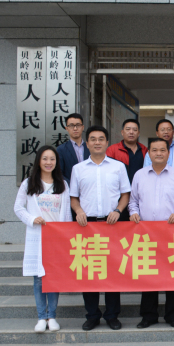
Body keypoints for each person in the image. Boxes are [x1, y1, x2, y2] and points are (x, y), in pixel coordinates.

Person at [70, 126, 131, 331]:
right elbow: (73, 198)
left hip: (112, 225)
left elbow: (125, 194)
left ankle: (112, 315)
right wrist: (78, 211)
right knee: (90, 272)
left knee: (112, 272)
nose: (97, 142)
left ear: (107, 143)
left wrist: (118, 210)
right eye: (93, 139)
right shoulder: (78, 169)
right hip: (87, 227)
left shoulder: (118, 167)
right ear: (87, 143)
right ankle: (92, 315)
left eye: (101, 139)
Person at [129, 137, 174, 329]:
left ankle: (173, 315)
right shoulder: (139, 175)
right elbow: (133, 201)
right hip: (146, 234)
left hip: (171, 234)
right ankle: (149, 316)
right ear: (148, 153)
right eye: (154, 150)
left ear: (168, 153)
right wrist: (134, 213)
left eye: (162, 150)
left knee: (173, 274)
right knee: (149, 275)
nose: (158, 153)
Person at [14, 145, 71, 333]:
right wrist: (32, 219)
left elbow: (67, 213)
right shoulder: (29, 183)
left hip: (56, 238)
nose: (48, 162)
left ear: (57, 162)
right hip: (37, 237)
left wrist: (66, 235)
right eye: (45, 158)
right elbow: (18, 208)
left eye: (52, 159)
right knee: (38, 278)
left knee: (53, 277)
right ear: (39, 161)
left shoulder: (62, 184)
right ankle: (41, 317)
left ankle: (52, 316)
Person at [106, 119, 147, 219]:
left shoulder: (145, 150)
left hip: (139, 196)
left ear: (138, 133)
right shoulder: (112, 150)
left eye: (134, 130)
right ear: (122, 132)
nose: (131, 132)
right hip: (119, 196)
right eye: (128, 129)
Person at [55, 112, 89, 184]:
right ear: (66, 128)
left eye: (78, 125)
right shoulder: (61, 150)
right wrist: (73, 186)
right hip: (70, 188)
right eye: (71, 125)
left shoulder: (90, 148)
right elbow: (59, 173)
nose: (75, 128)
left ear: (83, 127)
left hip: (89, 188)